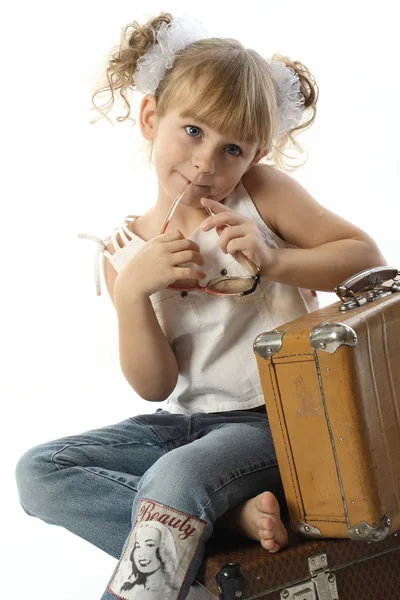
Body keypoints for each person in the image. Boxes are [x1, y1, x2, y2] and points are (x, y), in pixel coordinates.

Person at [15, 12, 387, 600]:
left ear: (255, 155)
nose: (207, 162)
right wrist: (135, 292)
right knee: (40, 472)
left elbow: (364, 257)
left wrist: (276, 259)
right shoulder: (126, 252)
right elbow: (154, 386)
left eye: (232, 147)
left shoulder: (259, 198)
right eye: (193, 131)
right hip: (187, 424)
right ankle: (226, 523)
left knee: (174, 478)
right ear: (150, 117)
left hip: (281, 419)